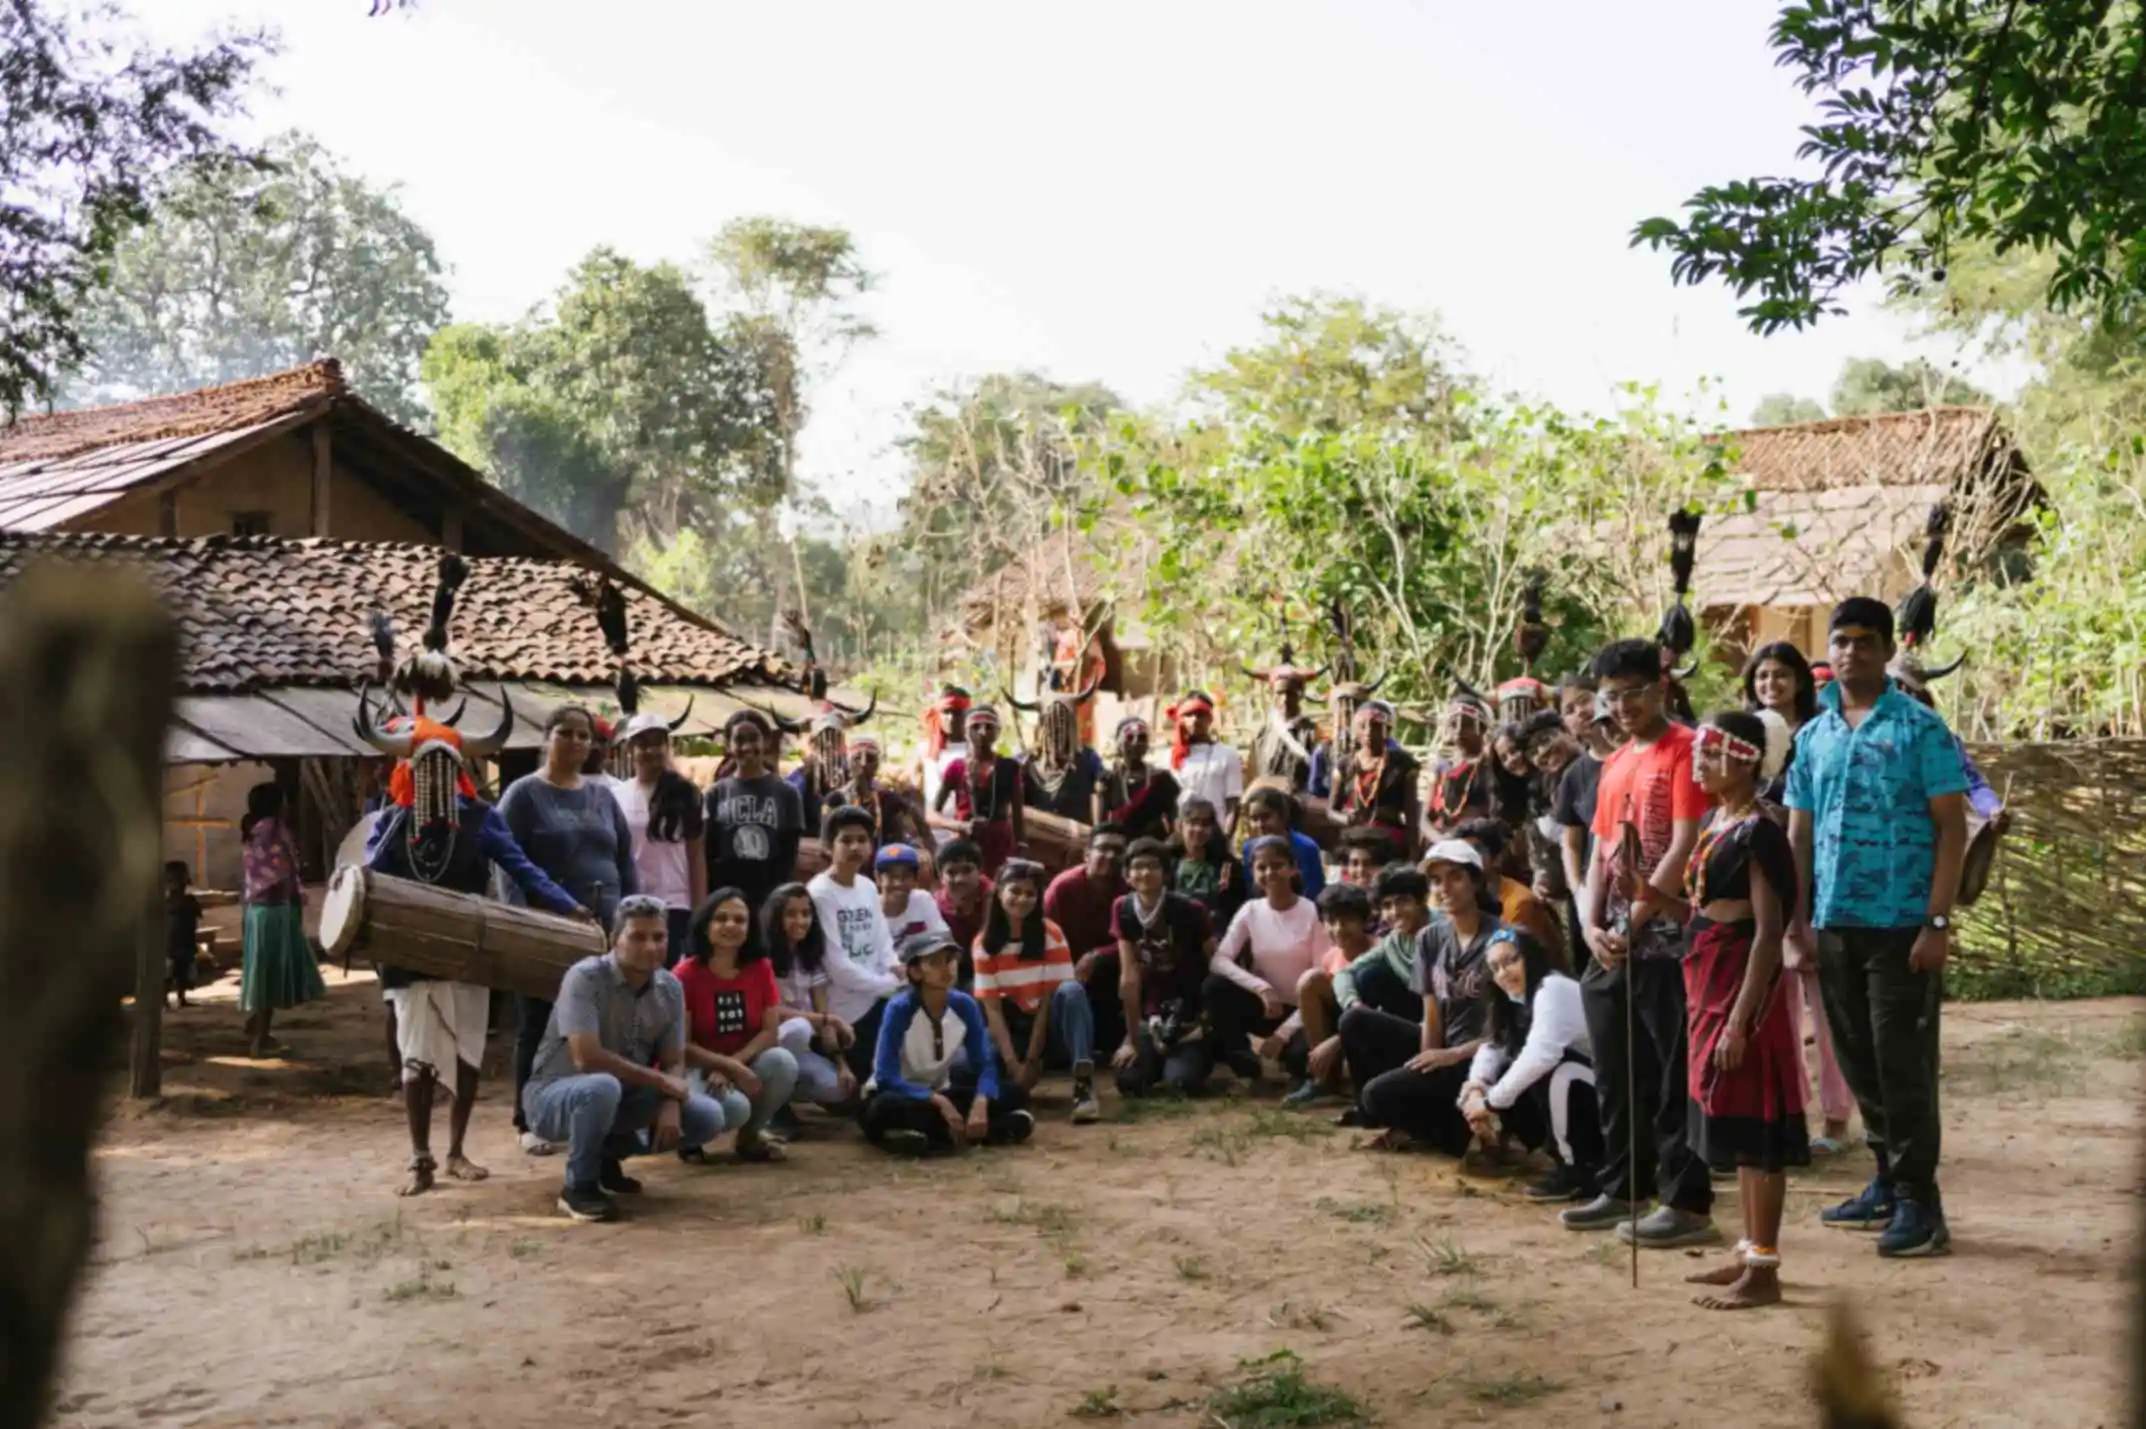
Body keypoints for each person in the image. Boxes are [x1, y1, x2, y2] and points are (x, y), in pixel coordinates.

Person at [1788, 597, 1968, 1259]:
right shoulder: (1813, 736)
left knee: (1903, 1066)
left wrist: (1937, 922)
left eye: (1865, 641)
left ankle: (1922, 1203)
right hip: (1835, 922)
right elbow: (1798, 835)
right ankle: (1889, 1181)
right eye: (1841, 641)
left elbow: (1952, 829)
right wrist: (1798, 922)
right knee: (1859, 1059)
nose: (1851, 652)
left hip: (1902, 925)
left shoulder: (1921, 729)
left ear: (1889, 650)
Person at [363, 711, 588, 1195]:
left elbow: (524, 869)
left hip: (471, 952)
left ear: (460, 773)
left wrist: (569, 907)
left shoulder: (481, 819)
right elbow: (367, 880)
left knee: (467, 1056)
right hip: (411, 957)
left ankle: (456, 1152)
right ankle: (419, 1157)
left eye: (447, 768)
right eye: (427, 769)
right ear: (411, 773)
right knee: (416, 1059)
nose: (437, 777)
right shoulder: (393, 821)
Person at [1563, 639, 1717, 1248]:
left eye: (1635, 693)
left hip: (1670, 940)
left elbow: (1684, 843)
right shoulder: (1616, 762)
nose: (1623, 706)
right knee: (1617, 1073)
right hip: (1612, 940)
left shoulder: (1687, 750)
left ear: (1662, 688)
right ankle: (1624, 1185)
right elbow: (1601, 851)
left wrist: (1637, 917)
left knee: (1676, 1076)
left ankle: (1686, 1202)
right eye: (1612, 696)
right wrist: (1590, 923)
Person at [1680, 710, 1812, 1307]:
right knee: (1735, 1120)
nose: (1700, 763)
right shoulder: (1717, 821)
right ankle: (1746, 1252)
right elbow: (1702, 907)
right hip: (1709, 978)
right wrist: (1645, 894)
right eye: (1699, 752)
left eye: (1712, 754)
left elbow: (1767, 933)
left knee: (1759, 1128)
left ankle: (1764, 1269)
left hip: (1743, 987)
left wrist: (1740, 1021)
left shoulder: (1760, 832)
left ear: (1747, 760)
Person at [520, 896, 730, 1222]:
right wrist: (662, 1082)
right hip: (552, 1096)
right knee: (602, 1087)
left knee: (708, 1116)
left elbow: (673, 1059)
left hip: (623, 1095)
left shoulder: (670, 987)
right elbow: (586, 1058)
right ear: (615, 939)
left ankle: (604, 1156)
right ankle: (578, 1187)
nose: (650, 947)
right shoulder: (585, 978)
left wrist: (671, 1103)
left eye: (659, 937)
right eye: (638, 937)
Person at [500, 706, 638, 1156]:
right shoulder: (524, 794)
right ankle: (528, 1120)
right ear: (547, 737)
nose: (576, 742)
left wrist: (632, 921)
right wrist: (521, 924)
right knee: (539, 1023)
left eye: (584, 735)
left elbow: (624, 861)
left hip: (607, 933)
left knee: (605, 1025)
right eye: (566, 733)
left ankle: (603, 1118)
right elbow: (506, 864)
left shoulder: (602, 796)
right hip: (548, 931)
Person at [1742, 641, 1853, 1154]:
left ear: (1801, 681)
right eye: (1762, 676)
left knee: (1824, 1009)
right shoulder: (1742, 741)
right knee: (1774, 1013)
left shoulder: (1820, 737)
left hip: (1812, 888)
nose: (1771, 684)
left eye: (1781, 674)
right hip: (1755, 895)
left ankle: (1835, 1118)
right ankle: (1787, 1116)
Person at [1355, 840, 1498, 1153]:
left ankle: (1467, 1132)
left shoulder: (1503, 940)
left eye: (1455, 877)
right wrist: (1425, 1070)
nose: (1444, 888)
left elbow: (1514, 1032)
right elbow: (1431, 1013)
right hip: (1447, 1053)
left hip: (1486, 1059)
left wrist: (1453, 1055)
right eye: (1435, 880)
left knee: (1378, 1094)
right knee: (1358, 1025)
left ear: (1475, 882)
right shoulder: (1430, 938)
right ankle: (1442, 1127)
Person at [1461, 926, 1602, 1203]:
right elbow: (1493, 1046)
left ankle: (1580, 1170)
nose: (1504, 973)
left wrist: (1489, 1103)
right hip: (1592, 1090)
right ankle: (1559, 1156)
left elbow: (1541, 1055)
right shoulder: (1515, 1000)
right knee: (1510, 1071)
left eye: (1511, 960)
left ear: (1532, 957)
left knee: (1555, 1071)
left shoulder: (1552, 988)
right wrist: (1476, 1086)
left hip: (1619, 1093)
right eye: (1495, 967)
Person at [862, 932, 1034, 1154]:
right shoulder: (900, 1008)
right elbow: (886, 1076)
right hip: (903, 1093)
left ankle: (935, 1136)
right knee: (882, 1109)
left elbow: (984, 1064)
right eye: (935, 962)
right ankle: (983, 1131)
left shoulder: (964, 1005)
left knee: (1014, 1092)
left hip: (940, 1090)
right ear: (915, 971)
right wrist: (938, 1101)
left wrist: (981, 1101)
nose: (946, 968)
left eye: (950, 960)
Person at [672, 888, 801, 1163]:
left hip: (742, 1062)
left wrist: (734, 1066)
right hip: (696, 1068)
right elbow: (681, 1044)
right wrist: (726, 1066)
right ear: (705, 925)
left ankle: (750, 1137)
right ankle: (691, 1137)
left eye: (740, 920)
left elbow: (769, 1032)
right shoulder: (685, 974)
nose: (730, 925)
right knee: (734, 1109)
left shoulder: (761, 968)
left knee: (782, 1061)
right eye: (721, 918)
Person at [975, 859, 1099, 1123]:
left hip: (1048, 1027)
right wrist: (1014, 1065)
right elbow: (992, 1010)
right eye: (1015, 891)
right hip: (1013, 1027)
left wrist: (1031, 1061)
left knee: (1072, 990)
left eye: (1030, 893)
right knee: (983, 1043)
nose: (1023, 899)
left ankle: (1083, 1084)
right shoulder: (984, 944)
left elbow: (1047, 1002)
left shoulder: (1050, 934)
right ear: (999, 893)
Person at [1207, 835, 1332, 1085]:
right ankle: (1241, 1056)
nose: (1269, 873)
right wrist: (1260, 987)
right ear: (1253, 872)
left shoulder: (1312, 912)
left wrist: (1282, 1034)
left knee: (1299, 1061)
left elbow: (1322, 977)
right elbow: (1219, 961)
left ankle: (1289, 1054)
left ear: (1293, 868)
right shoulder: (1250, 910)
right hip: (1266, 1006)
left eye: (1277, 865)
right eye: (1261, 867)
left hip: (1303, 1012)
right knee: (1214, 987)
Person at [1110, 837, 1217, 1097]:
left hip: (1189, 1013)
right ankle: (1155, 1057)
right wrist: (1132, 1040)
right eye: (1137, 867)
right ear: (1126, 875)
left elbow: (1216, 963)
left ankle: (1205, 1050)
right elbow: (1129, 978)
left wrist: (1207, 1016)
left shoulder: (1190, 909)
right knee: (1129, 1082)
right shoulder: (1123, 908)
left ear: (1166, 873)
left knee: (1182, 1084)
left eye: (1153, 866)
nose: (1145, 873)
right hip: (1152, 1014)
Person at [809, 805, 904, 1084]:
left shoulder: (867, 886)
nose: (855, 847)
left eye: (862, 840)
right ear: (829, 846)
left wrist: (894, 967)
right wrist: (888, 985)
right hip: (843, 1008)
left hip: (876, 996)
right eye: (846, 840)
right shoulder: (820, 893)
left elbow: (882, 939)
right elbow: (836, 966)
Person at [1332, 866, 1437, 1118]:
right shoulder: (1394, 941)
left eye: (1403, 901)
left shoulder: (1442, 931)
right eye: (1387, 905)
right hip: (1416, 1022)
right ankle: (1367, 1108)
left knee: (1362, 1004)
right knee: (1363, 991)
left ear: (1421, 900)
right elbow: (1343, 974)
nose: (1395, 912)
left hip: (1445, 1031)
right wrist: (1354, 1003)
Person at [238, 782, 324, 1058]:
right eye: (284, 801)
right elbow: (280, 875)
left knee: (264, 972)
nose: (288, 805)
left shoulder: (255, 830)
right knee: (269, 975)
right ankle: (260, 1040)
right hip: (272, 911)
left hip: (259, 910)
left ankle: (258, 1025)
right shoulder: (272, 831)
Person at [615, 711, 707, 964]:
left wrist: (699, 914)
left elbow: (696, 857)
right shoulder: (616, 795)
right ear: (629, 749)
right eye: (643, 743)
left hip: (675, 905)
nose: (651, 750)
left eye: (658, 743)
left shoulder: (688, 794)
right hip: (631, 904)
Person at [763, 882, 859, 1115]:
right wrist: (826, 1019)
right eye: (791, 914)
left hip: (800, 1048)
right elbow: (770, 1011)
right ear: (776, 917)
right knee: (799, 1028)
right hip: (766, 1045)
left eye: (806, 914)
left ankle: (786, 1093)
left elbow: (824, 1019)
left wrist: (842, 1064)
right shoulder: (763, 959)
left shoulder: (810, 958)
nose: (800, 921)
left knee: (840, 1088)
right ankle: (773, 1108)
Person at [706, 710, 807, 927]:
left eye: (754, 739)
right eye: (739, 740)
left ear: (766, 741)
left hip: (772, 902)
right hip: (727, 905)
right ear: (728, 745)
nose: (747, 747)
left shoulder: (787, 793)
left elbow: (789, 857)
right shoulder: (715, 794)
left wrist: (780, 904)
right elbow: (708, 853)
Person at [1044, 823, 1132, 1055]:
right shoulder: (1063, 887)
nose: (1110, 856)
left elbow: (1138, 937)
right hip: (1065, 972)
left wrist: (1097, 956)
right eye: (1103, 848)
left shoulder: (1129, 890)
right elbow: (1044, 937)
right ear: (1087, 854)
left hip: (1111, 970)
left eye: (1118, 850)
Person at [1526, 703, 1599, 973]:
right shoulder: (1545, 788)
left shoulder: (1597, 763)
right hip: (1576, 891)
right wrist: (1541, 874)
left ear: (1567, 731)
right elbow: (1542, 843)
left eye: (1546, 739)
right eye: (1533, 751)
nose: (1542, 752)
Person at [1288, 881, 1375, 1106]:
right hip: (1343, 1020)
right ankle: (1324, 1079)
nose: (1338, 929)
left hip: (1377, 1026)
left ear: (1365, 921)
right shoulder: (1331, 956)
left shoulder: (1380, 951)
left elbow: (1387, 1010)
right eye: (1331, 921)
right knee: (1311, 980)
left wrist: (1338, 1041)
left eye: (1347, 921)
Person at [930, 704, 1026, 877]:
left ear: (998, 732)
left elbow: (1018, 812)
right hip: (964, 843)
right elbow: (932, 815)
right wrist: (960, 826)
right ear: (966, 731)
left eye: (989, 727)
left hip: (999, 844)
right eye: (976, 726)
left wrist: (1021, 844)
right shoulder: (957, 767)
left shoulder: (1010, 767)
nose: (982, 732)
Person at [1452, 817, 1563, 963]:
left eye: (1475, 851)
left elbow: (1524, 965)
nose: (1466, 859)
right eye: (1461, 852)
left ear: (1496, 859)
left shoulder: (1518, 906)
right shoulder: (1454, 900)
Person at [1330, 701, 1420, 863]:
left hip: (1388, 836)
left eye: (1376, 726)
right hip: (1354, 835)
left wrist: (1414, 853)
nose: (1369, 732)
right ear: (1355, 729)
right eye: (1362, 726)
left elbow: (1411, 813)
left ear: (1388, 730)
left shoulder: (1402, 764)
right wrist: (1346, 819)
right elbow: (1331, 810)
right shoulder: (1345, 764)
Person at [829, 733, 927, 850]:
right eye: (857, 758)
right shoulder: (837, 798)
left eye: (869, 759)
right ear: (849, 763)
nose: (863, 764)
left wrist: (917, 849)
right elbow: (825, 840)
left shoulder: (891, 800)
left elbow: (910, 835)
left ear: (877, 765)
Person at [1424, 688, 1494, 839]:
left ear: (1482, 728)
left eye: (1467, 725)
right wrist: (1439, 841)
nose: (1459, 731)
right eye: (1454, 724)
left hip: (1477, 839)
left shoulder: (1490, 765)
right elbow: (1424, 819)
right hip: (1440, 839)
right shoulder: (1441, 767)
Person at [1168, 691, 1244, 831]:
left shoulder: (1227, 754)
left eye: (1200, 714)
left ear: (1210, 718)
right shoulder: (1169, 758)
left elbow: (1233, 804)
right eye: (1189, 715)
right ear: (1181, 719)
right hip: (1182, 835)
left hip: (1216, 833)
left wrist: (1225, 836)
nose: (1195, 720)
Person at [1101, 716, 1179, 842]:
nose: (1135, 743)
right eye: (1129, 738)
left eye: (1142, 738)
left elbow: (1174, 817)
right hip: (1120, 845)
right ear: (1119, 744)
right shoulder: (1108, 780)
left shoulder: (1161, 779)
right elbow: (1101, 822)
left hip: (1154, 846)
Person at [1239, 785, 1326, 898]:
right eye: (1254, 819)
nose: (1260, 825)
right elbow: (1250, 892)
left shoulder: (1306, 848)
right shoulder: (1248, 849)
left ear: (1282, 816)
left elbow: (1314, 893)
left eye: (1266, 817)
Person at [1170, 796, 1243, 925]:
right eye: (1193, 822)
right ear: (1180, 825)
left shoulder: (1226, 864)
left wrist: (1223, 894)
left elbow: (1236, 907)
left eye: (1205, 824)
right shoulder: (1169, 861)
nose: (1199, 829)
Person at [932, 839, 994, 984]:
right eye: (951, 872)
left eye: (967, 871)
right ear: (941, 877)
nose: (960, 879)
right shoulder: (936, 906)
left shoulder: (996, 897)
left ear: (979, 871)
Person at [877, 843, 951, 943]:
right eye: (892, 877)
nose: (898, 883)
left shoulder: (922, 899)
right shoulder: (869, 909)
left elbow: (942, 936)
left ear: (915, 879)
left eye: (905, 876)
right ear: (879, 878)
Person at [164, 861, 201, 1011]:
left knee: (180, 971)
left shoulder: (185, 902)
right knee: (172, 971)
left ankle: (179, 998)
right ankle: (167, 999)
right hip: (174, 942)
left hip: (182, 941)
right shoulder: (178, 903)